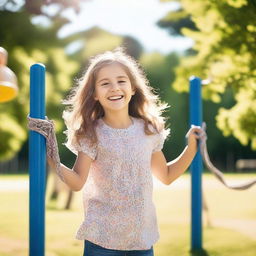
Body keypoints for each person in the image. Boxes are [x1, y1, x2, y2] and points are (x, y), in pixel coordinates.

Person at [27, 47, 205, 256]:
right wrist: (50, 154)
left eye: (121, 81)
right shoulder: (91, 133)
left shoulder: (148, 129)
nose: (114, 88)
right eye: (105, 83)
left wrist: (191, 147)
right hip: (102, 240)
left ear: (133, 88)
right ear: (94, 94)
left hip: (141, 240)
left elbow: (166, 176)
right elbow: (76, 182)